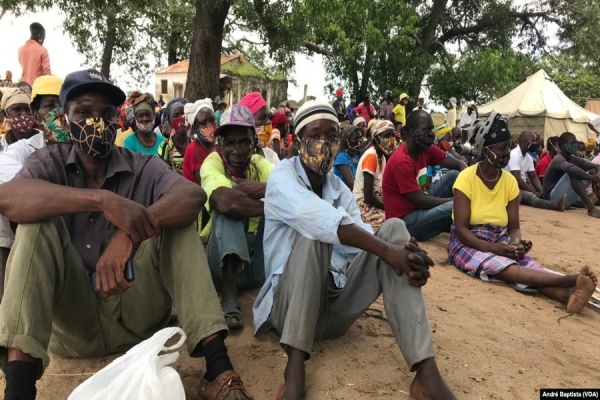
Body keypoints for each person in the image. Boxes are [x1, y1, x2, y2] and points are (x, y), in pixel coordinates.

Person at [0, 68, 253, 400]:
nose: (96, 122)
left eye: (106, 114)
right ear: (65, 120)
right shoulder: (47, 162)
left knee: (175, 224)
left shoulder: (140, 164)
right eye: (84, 112)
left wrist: (130, 234)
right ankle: (18, 390)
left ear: (118, 120)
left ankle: (219, 370)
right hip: (74, 327)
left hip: (139, 315)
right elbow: (8, 199)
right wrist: (102, 201)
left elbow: (191, 197)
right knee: (36, 224)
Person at [253, 100, 455, 400]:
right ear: (296, 141)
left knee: (396, 230)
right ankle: (294, 369)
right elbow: (319, 220)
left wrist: (402, 255)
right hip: (288, 309)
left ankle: (426, 374)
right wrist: (387, 252)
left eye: (333, 137)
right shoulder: (282, 176)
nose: (325, 144)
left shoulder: (338, 188)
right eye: (315, 135)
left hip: (332, 310)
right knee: (317, 233)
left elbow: (360, 243)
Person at [448, 111, 598, 313]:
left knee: (526, 265)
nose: (506, 153)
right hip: (467, 240)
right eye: (500, 148)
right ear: (485, 150)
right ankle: (569, 280)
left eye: (508, 147)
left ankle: (568, 296)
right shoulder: (466, 179)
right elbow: (462, 229)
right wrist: (495, 249)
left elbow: (514, 227)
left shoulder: (509, 181)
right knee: (505, 267)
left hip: (498, 237)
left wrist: (515, 243)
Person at [200, 104, 273, 330]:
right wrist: (270, 201)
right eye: (230, 142)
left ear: (254, 144)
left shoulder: (259, 163)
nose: (238, 150)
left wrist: (254, 192)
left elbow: (293, 190)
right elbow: (225, 201)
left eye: (244, 142)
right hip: (222, 265)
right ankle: (229, 296)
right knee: (227, 212)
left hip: (258, 266)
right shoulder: (212, 162)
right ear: (220, 145)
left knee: (279, 219)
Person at [0, 104, 71, 302]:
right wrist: (43, 189)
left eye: (59, 105)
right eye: (49, 106)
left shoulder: (85, 142)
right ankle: (6, 298)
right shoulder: (25, 147)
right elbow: (3, 168)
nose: (56, 113)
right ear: (36, 114)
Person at [382, 111, 467, 241]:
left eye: (431, 129)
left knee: (454, 175)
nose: (430, 134)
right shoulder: (401, 161)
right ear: (411, 132)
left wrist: (472, 182)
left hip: (418, 207)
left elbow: (458, 164)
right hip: (405, 222)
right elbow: (421, 201)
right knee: (455, 206)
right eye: (426, 129)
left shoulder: (425, 148)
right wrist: (457, 201)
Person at [542, 131, 600, 218]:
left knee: (592, 170)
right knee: (573, 173)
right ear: (563, 146)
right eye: (572, 143)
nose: (575, 145)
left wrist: (597, 175)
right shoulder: (558, 159)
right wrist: (592, 178)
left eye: (576, 142)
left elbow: (594, 166)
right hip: (552, 199)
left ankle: (590, 201)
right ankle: (590, 207)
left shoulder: (573, 158)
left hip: (565, 199)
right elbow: (573, 170)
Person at [353, 120, 396, 230]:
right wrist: (388, 207)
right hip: (363, 204)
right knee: (393, 220)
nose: (391, 139)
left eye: (393, 135)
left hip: (374, 200)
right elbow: (368, 197)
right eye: (387, 135)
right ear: (376, 138)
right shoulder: (371, 157)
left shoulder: (381, 157)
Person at [507, 131, 565, 211]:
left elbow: (533, 177)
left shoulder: (528, 158)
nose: (536, 144)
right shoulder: (514, 155)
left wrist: (541, 191)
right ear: (525, 142)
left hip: (521, 185)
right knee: (531, 197)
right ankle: (555, 205)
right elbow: (517, 179)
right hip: (511, 187)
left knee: (541, 192)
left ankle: (559, 202)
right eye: (533, 141)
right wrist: (535, 193)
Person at [239, 92, 280, 164]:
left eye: (269, 117)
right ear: (247, 122)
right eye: (262, 118)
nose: (269, 122)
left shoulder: (271, 155)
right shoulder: (235, 158)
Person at [182, 99, 217, 184]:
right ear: (194, 128)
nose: (209, 126)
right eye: (203, 123)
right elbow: (208, 183)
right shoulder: (193, 150)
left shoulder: (216, 145)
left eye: (212, 120)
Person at [333, 125, 362, 190]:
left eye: (360, 138)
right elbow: (352, 183)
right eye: (355, 139)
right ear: (347, 141)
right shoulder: (342, 157)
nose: (359, 142)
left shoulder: (356, 157)